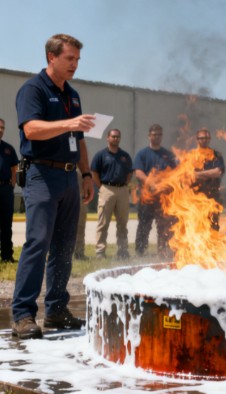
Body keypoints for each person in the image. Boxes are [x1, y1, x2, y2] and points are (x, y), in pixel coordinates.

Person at [11, 33, 96, 340]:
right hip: (42, 175)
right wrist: (69, 123)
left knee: (64, 246)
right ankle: (23, 315)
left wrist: (86, 175)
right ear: (52, 57)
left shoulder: (72, 95)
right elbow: (32, 129)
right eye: (69, 58)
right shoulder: (33, 89)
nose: (75, 64)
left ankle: (57, 310)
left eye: (77, 60)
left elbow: (80, 140)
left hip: (69, 177)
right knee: (38, 243)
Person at [133, 124, 177, 257]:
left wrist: (164, 184)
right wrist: (151, 183)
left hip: (164, 197)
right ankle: (140, 252)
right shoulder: (142, 154)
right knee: (144, 225)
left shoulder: (168, 155)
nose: (157, 137)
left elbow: (175, 173)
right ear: (149, 135)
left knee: (164, 225)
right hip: (147, 196)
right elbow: (138, 173)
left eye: (159, 134)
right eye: (154, 134)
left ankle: (163, 251)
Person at [91, 128, 133, 259]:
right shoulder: (101, 155)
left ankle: (123, 251)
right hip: (107, 189)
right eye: (113, 136)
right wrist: (101, 187)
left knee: (122, 223)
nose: (116, 139)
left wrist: (124, 185)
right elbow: (94, 172)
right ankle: (100, 251)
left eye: (118, 137)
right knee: (103, 222)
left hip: (122, 190)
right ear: (107, 138)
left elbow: (130, 172)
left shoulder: (125, 156)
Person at [193, 128, 224, 231]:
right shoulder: (191, 156)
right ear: (197, 139)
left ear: (209, 139)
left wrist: (199, 174)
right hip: (196, 197)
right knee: (196, 226)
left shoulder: (216, 155)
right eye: (201, 138)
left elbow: (217, 172)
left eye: (206, 138)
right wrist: (209, 174)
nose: (204, 140)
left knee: (213, 225)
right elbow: (189, 175)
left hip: (212, 195)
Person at [0, 119, 18, 263]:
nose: (1, 130)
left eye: (3, 128)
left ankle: (7, 255)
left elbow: (14, 168)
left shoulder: (8, 149)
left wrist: (12, 185)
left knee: (7, 223)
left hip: (5, 189)